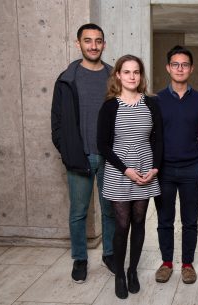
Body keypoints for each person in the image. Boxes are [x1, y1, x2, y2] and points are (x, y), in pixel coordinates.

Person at [51, 23, 115, 283]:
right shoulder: (67, 78)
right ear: (78, 44)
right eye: (87, 41)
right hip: (79, 156)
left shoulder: (114, 77)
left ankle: (110, 254)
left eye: (98, 41)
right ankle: (80, 259)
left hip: (110, 157)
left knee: (110, 209)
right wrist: (67, 151)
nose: (93, 46)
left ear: (103, 44)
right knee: (78, 211)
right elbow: (56, 121)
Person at [97, 54, 163, 299]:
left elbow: (158, 139)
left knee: (139, 222)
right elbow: (102, 145)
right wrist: (125, 169)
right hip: (119, 171)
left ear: (141, 75)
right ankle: (119, 275)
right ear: (118, 75)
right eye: (127, 72)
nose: (132, 76)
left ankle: (133, 270)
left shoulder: (151, 103)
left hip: (146, 170)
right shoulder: (109, 106)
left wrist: (155, 168)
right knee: (122, 224)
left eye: (136, 72)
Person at [154, 45, 198, 284]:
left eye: (184, 64)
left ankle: (187, 264)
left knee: (190, 221)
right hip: (164, 170)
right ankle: (167, 262)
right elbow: (151, 136)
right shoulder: (156, 100)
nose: (180, 68)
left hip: (191, 171)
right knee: (164, 220)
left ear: (191, 68)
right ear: (168, 68)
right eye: (175, 64)